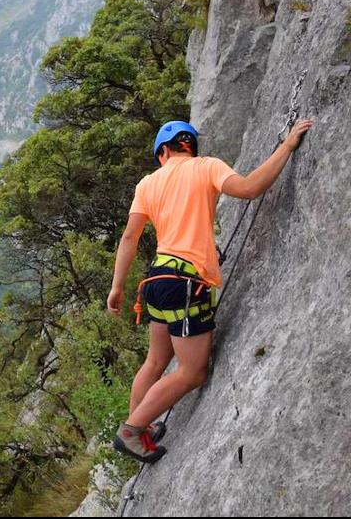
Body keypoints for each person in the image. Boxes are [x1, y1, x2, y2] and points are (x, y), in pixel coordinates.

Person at [106, 118, 313, 463]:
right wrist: (287, 147)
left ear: (163, 152)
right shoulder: (207, 167)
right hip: (185, 282)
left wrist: (116, 288)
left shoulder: (148, 183)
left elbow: (129, 237)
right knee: (193, 372)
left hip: (156, 281)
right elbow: (248, 188)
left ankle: (141, 426)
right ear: (190, 146)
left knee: (156, 359)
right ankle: (132, 430)